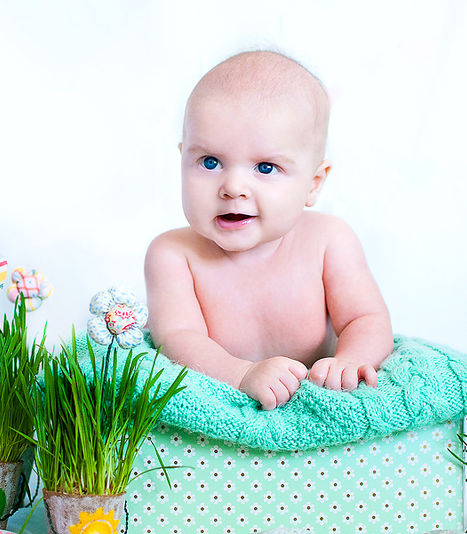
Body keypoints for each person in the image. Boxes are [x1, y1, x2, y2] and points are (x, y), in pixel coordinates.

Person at [144, 51, 393, 410]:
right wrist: (241, 373)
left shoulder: (328, 240)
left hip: (314, 402)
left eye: (265, 167)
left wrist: (350, 360)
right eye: (210, 162)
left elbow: (365, 318)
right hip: (225, 409)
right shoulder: (172, 254)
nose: (233, 187)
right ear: (182, 159)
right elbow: (177, 339)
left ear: (313, 184)